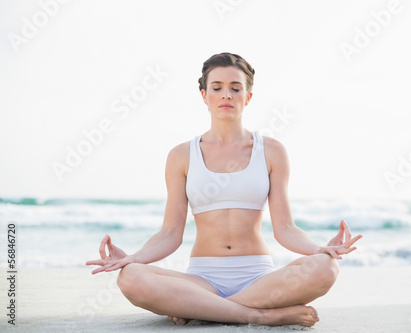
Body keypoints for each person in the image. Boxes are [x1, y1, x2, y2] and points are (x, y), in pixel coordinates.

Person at [86, 52, 362, 327]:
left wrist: (319, 249)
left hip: (259, 279)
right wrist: (134, 258)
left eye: (235, 88)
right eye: (217, 88)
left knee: (326, 268)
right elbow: (170, 233)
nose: (226, 95)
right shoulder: (182, 155)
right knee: (131, 277)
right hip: (202, 280)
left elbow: (286, 228)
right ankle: (260, 315)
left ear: (248, 97)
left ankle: (203, 309)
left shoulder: (272, 151)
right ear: (205, 96)